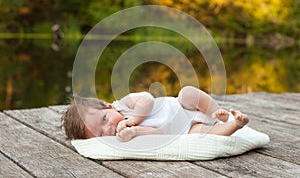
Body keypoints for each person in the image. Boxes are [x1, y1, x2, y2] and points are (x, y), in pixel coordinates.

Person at [62, 86, 249, 142]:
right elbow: (159, 134)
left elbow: (147, 99)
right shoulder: (124, 136)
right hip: (185, 129)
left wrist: (135, 119)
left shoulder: (124, 104)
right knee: (202, 135)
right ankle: (233, 125)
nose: (109, 128)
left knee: (188, 92)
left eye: (104, 119)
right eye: (101, 134)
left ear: (107, 105)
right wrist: (134, 132)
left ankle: (217, 113)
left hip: (183, 107)